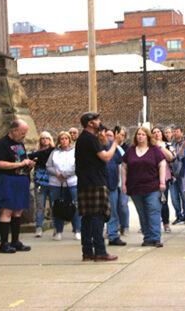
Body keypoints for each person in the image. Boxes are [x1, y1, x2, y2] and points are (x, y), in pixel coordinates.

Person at [75, 112, 123, 262]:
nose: (99, 121)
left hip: (85, 182)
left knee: (87, 218)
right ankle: (100, 251)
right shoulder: (89, 139)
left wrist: (102, 137)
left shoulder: (84, 138)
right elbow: (106, 157)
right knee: (97, 216)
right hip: (95, 182)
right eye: (97, 120)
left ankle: (87, 252)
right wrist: (115, 142)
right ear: (90, 123)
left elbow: (101, 147)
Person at [0, 119, 35, 253]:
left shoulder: (20, 144)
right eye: (22, 133)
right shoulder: (2, 144)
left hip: (21, 179)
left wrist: (28, 163)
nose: (24, 136)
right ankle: (4, 243)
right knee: (7, 210)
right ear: (14, 130)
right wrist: (20, 164)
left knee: (18, 211)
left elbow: (22, 159)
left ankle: (15, 240)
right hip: (7, 179)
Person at [122, 127, 167, 247]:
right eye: (138, 134)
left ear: (147, 136)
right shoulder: (131, 150)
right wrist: (124, 184)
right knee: (142, 214)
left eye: (143, 134)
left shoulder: (154, 150)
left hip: (152, 187)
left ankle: (155, 238)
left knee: (153, 212)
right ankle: (147, 238)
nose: (140, 136)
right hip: (135, 188)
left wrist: (162, 182)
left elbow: (162, 164)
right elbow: (124, 167)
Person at [45, 131, 81, 241]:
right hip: (56, 183)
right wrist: (58, 174)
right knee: (58, 207)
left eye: (66, 138)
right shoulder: (54, 152)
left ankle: (77, 230)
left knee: (75, 206)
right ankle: (58, 231)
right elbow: (48, 166)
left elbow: (78, 165)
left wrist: (65, 174)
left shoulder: (75, 151)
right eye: (62, 138)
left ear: (69, 140)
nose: (64, 140)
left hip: (72, 183)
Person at [29, 132, 55, 238]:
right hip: (40, 182)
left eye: (46, 138)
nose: (44, 140)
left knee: (54, 206)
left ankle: (56, 227)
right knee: (40, 205)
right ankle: (39, 227)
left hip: (52, 182)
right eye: (42, 138)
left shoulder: (54, 152)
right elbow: (30, 165)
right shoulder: (36, 153)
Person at [104, 128, 126, 246]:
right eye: (105, 134)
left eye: (110, 135)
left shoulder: (115, 147)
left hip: (112, 184)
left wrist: (118, 181)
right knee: (98, 212)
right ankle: (95, 236)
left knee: (113, 211)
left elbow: (119, 164)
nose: (107, 137)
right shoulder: (96, 145)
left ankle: (113, 235)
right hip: (99, 184)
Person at [151, 126, 175, 233]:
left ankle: (166, 224)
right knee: (151, 202)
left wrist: (160, 147)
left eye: (158, 132)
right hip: (151, 178)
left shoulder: (167, 145)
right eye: (154, 132)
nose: (156, 134)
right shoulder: (149, 146)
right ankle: (152, 224)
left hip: (164, 177)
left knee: (163, 201)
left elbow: (171, 158)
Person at [170, 126, 185, 224]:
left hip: (182, 175)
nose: (175, 133)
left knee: (184, 197)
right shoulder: (170, 145)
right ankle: (178, 216)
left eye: (177, 131)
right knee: (174, 198)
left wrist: (182, 148)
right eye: (174, 132)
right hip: (172, 175)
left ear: (182, 133)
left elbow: (181, 156)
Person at [117, 127, 130, 235]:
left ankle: (125, 226)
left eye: (122, 135)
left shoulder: (127, 149)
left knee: (123, 204)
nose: (120, 136)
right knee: (113, 205)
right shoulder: (110, 147)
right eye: (118, 134)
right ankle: (116, 226)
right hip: (113, 181)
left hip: (123, 181)